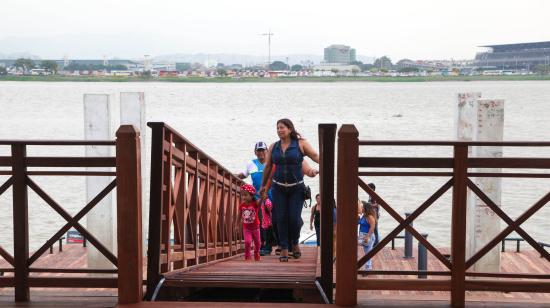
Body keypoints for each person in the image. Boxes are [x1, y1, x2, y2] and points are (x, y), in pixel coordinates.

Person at [260, 118, 319, 262]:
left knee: (294, 219)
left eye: (282, 127)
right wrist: (263, 187)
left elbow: (315, 156)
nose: (280, 130)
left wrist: (328, 162)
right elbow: (268, 167)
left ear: (290, 129)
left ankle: (295, 242)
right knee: (280, 218)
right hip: (278, 188)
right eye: (278, 128)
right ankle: (284, 248)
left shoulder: (300, 144)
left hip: (296, 189)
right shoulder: (274, 147)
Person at [236, 141, 275, 256]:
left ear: (267, 151)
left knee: (275, 221)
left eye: (263, 150)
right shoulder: (251, 164)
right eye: (259, 151)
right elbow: (243, 175)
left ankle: (277, 243)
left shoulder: (272, 162)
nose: (261, 153)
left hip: (274, 195)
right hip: (259, 198)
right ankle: (265, 245)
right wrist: (231, 175)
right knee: (262, 222)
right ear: (255, 152)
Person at [240, 184, 262, 261]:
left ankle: (256, 253)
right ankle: (247, 256)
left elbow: (259, 202)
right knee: (247, 242)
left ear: (252, 196)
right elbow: (239, 215)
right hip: (246, 228)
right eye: (242, 195)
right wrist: (236, 225)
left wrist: (262, 197)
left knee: (258, 243)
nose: (243, 197)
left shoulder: (255, 204)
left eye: (245, 195)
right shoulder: (242, 205)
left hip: (256, 227)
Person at [358, 200, 377, 270]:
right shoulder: (364, 216)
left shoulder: (369, 217)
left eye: (362, 207)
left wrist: (368, 236)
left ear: (365, 208)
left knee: (367, 253)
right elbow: (357, 222)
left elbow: (372, 227)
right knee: (365, 251)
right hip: (362, 235)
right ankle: (366, 266)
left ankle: (368, 268)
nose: (361, 208)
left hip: (368, 236)